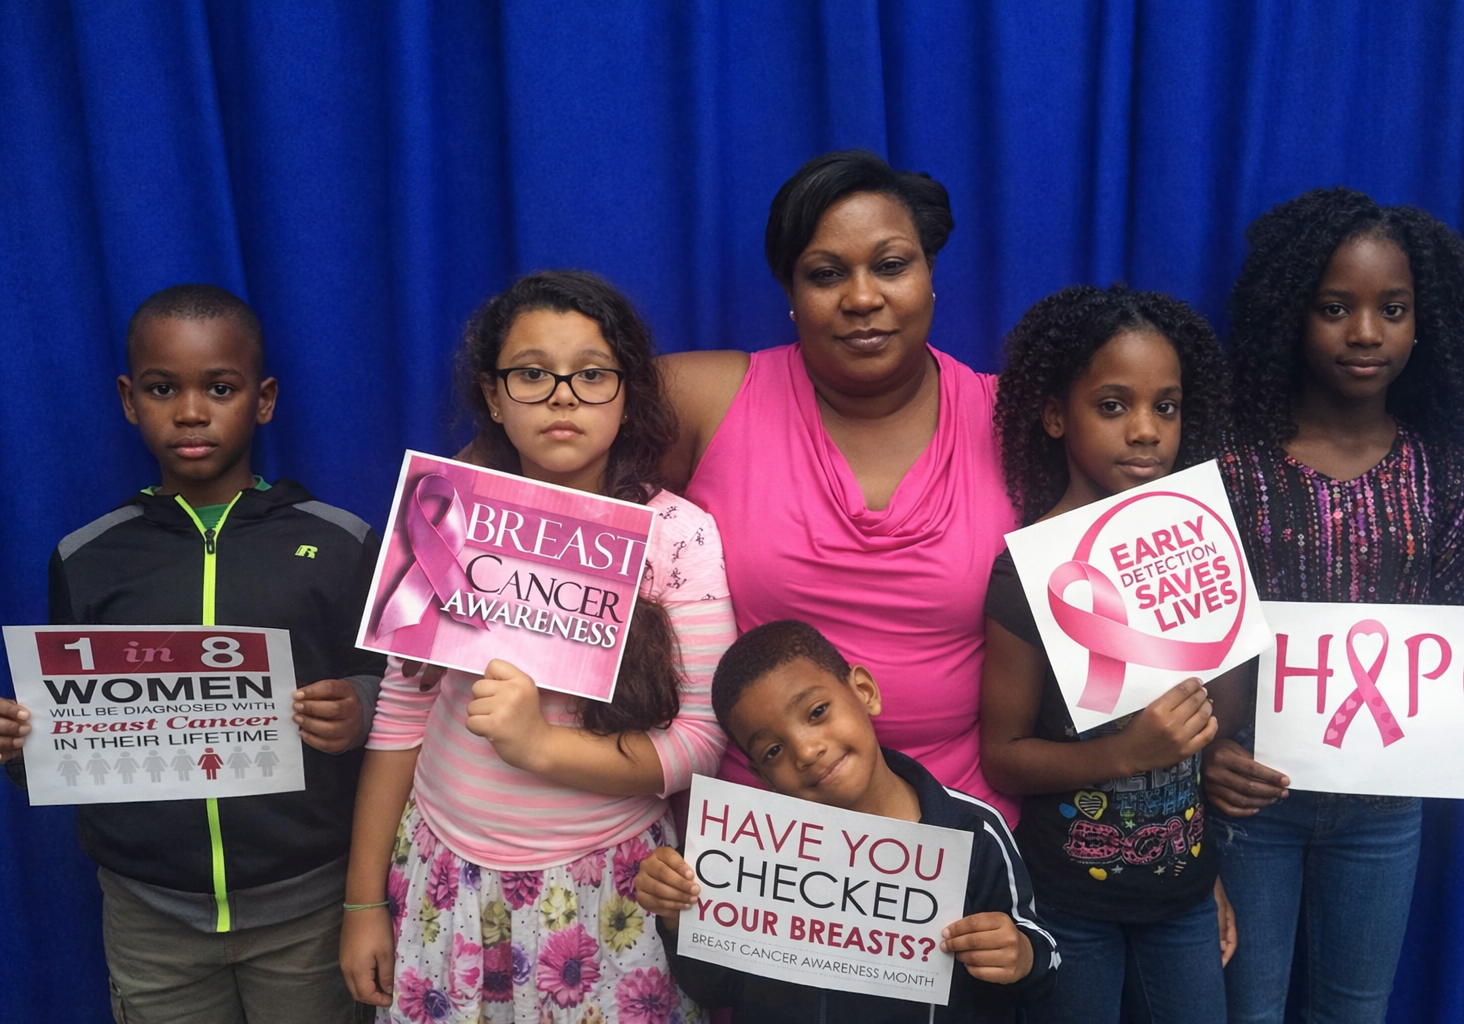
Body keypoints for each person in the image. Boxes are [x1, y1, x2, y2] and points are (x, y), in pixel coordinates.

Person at [339, 270, 735, 1023]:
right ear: (493, 395)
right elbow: (397, 718)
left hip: (607, 888)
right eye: (532, 375)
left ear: (627, 393)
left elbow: (702, 742)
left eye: (591, 375)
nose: (562, 395)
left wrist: (539, 746)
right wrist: (362, 902)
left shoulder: (677, 535)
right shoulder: (444, 514)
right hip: (444, 877)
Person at [0, 283, 386, 1023]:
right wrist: (23, 747)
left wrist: (359, 707)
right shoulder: (86, 557)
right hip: (150, 918)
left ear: (263, 398)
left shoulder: (341, 541)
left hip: (309, 906)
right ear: (127, 398)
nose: (190, 410)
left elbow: (393, 690)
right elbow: (70, 738)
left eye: (219, 387)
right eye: (161, 387)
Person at [1205, 186, 1464, 1024]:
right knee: (1246, 1008)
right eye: (1334, 308)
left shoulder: (1446, 475)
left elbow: (1445, 652)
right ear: (1291, 314)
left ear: (1424, 323)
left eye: (1392, 309)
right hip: (1253, 800)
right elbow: (1189, 650)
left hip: (1385, 809)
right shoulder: (1232, 469)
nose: (1364, 332)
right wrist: (1202, 761)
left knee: (1355, 1012)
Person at [662, 149, 1020, 819]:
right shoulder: (706, 401)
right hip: (756, 842)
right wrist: (449, 609)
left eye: (890, 266)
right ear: (792, 297)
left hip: (955, 832)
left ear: (930, 277)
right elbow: (527, 444)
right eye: (826, 275)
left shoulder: (1019, 421)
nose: (862, 298)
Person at [979, 285, 1235, 1024]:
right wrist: (1127, 753)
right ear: (1057, 415)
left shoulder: (1197, 544)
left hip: (1184, 894)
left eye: (1167, 405)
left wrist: (1205, 870)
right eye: (1114, 406)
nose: (1147, 431)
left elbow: (1203, 733)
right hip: (1071, 902)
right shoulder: (1026, 572)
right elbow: (1004, 755)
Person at [635, 619, 1058, 1021]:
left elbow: (1041, 963)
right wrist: (678, 917)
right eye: (773, 751)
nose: (805, 751)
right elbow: (715, 990)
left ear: (864, 691)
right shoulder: (737, 857)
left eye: (817, 711)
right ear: (761, 776)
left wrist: (1020, 955)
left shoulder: (972, 830)